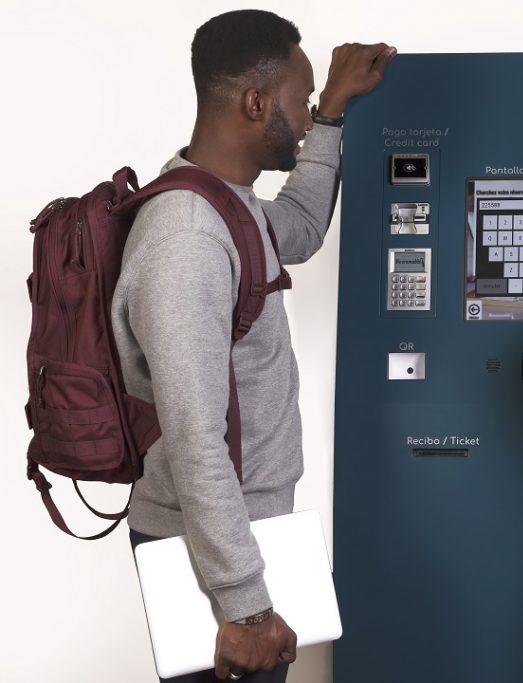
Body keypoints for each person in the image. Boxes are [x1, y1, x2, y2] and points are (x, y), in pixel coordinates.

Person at [111, 10, 394, 682]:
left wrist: (330, 114)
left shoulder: (226, 203)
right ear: (254, 102)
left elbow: (295, 227)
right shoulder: (188, 238)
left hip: (243, 536)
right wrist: (245, 605)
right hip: (211, 554)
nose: (300, 119)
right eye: (297, 104)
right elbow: (194, 438)